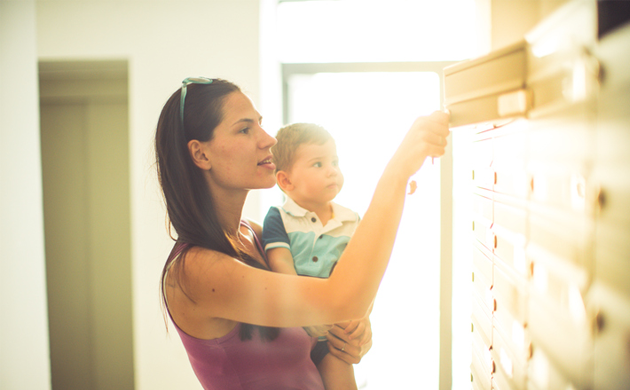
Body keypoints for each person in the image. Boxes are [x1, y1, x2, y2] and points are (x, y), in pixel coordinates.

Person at [156, 77, 450, 390]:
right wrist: (396, 173)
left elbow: (334, 307)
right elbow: (340, 298)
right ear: (201, 155)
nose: (268, 139)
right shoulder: (195, 271)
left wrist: (350, 333)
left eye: (260, 124)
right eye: (245, 129)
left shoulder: (254, 236)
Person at [262, 123, 367, 389]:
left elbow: (362, 275)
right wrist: (308, 312)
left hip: (334, 338)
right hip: (290, 334)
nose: (332, 170)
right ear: (286, 181)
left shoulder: (351, 220)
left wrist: (361, 316)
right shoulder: (279, 218)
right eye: (318, 164)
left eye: (334, 161)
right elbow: (281, 265)